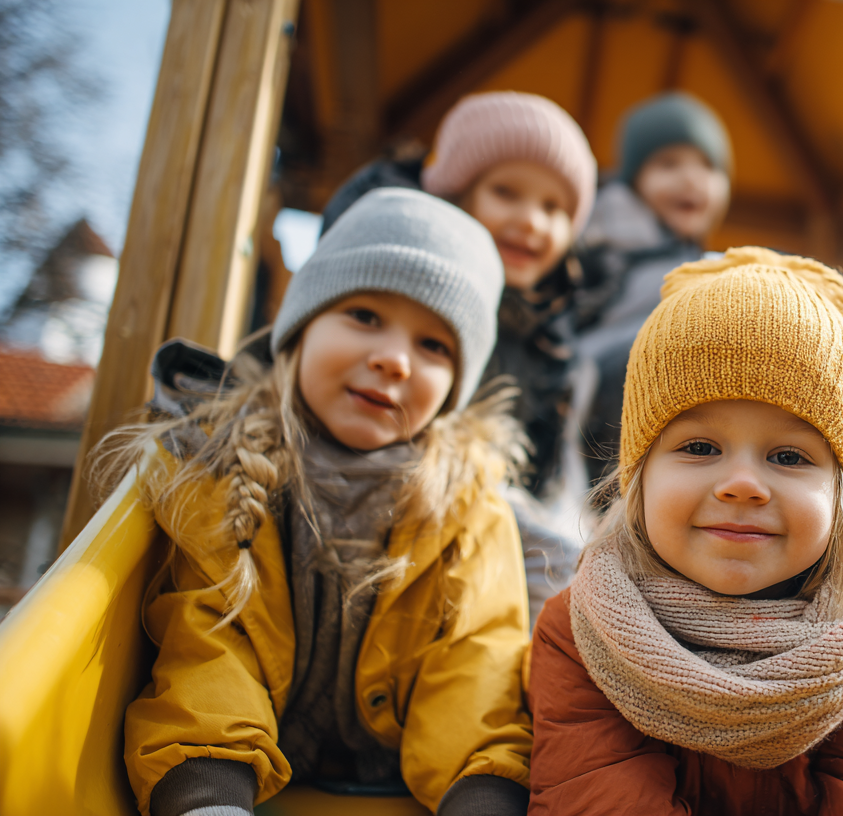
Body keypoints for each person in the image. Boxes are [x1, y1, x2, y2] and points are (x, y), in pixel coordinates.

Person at [103, 189, 533, 816]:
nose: (393, 358)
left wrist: (483, 795)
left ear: (454, 389)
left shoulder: (468, 507)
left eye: (434, 346)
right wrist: (206, 794)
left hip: (400, 789)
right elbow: (207, 644)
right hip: (229, 779)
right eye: (363, 315)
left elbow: (477, 661)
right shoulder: (216, 467)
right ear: (301, 328)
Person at [526, 247, 843, 815]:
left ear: (840, 494)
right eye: (700, 448)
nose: (744, 485)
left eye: (789, 456)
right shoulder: (583, 631)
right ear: (640, 478)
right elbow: (595, 797)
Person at [321, 91, 598, 621]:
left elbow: (542, 455)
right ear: (458, 195)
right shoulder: (414, 292)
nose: (531, 221)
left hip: (487, 513)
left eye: (553, 207)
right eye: (506, 192)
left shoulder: (551, 334)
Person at [565, 91, 733, 488]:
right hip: (600, 384)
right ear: (634, 178)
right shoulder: (605, 236)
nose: (690, 178)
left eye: (707, 166)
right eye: (668, 164)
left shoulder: (680, 253)